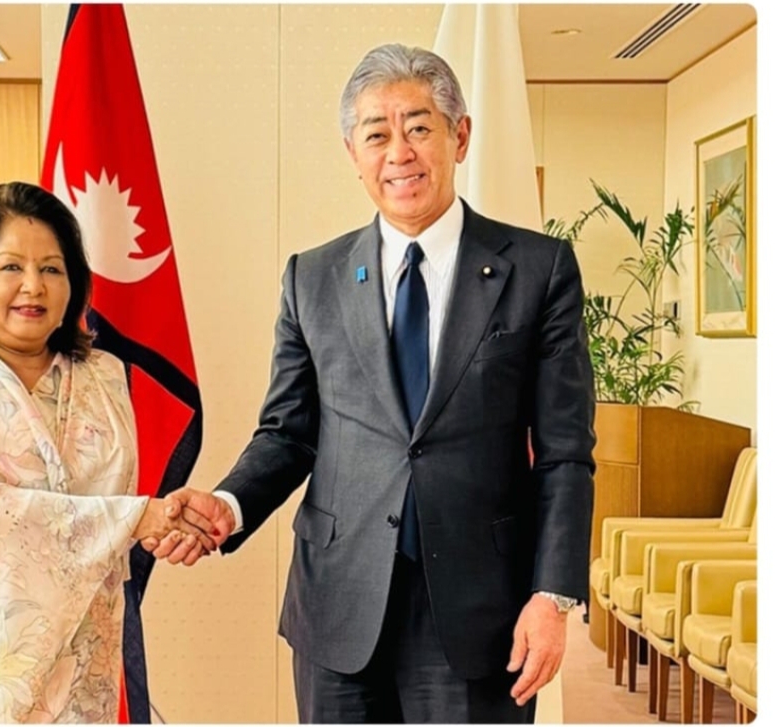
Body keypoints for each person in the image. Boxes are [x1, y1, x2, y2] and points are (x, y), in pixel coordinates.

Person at [146, 44, 596, 723]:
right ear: (352, 153)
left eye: (418, 127)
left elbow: (564, 452)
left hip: (481, 610)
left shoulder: (539, 269)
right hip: (338, 604)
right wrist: (228, 506)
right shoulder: (312, 278)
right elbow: (288, 434)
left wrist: (552, 595)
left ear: (459, 136)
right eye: (377, 134)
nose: (399, 153)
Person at [0, 181, 216, 723]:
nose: (33, 286)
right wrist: (137, 517)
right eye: (10, 267)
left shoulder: (103, 376)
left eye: (51, 268)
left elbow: (117, 498)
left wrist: (161, 523)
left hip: (87, 656)